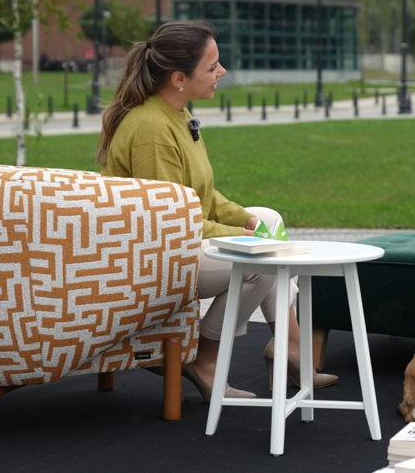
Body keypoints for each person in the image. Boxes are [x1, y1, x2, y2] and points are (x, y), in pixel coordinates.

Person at [97, 20, 337, 401]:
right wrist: (241, 238)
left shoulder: (176, 114)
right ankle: (204, 360)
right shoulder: (152, 129)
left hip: (177, 241)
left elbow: (201, 196)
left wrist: (247, 220)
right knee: (260, 258)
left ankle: (290, 347)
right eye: (212, 67)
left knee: (269, 221)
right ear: (179, 77)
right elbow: (169, 223)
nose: (221, 72)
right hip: (150, 258)